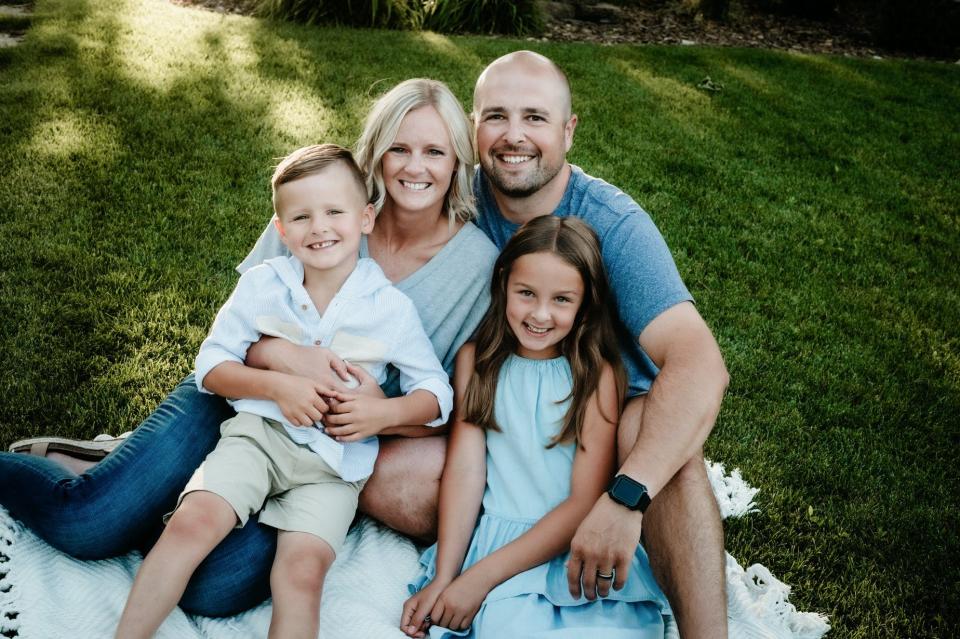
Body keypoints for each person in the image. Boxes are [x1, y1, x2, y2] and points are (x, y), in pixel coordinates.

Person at [0, 78, 498, 617]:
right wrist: (285, 361)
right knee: (90, 524)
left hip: (325, 446)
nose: (413, 167)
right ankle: (103, 474)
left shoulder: (477, 265)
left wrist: (374, 415)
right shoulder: (320, 208)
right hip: (238, 396)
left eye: (434, 151)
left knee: (211, 588)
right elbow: (236, 335)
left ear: (458, 162)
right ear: (375, 154)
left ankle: (138, 476)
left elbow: (445, 401)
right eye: (398, 148)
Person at [114, 143, 453, 638]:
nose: (318, 228)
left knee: (301, 573)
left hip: (335, 468)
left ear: (365, 218)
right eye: (301, 217)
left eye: (334, 212)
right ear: (281, 230)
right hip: (257, 437)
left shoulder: (390, 308)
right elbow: (210, 364)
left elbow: (437, 395)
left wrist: (382, 415)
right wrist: (276, 387)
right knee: (192, 523)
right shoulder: (262, 284)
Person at [467, 51, 730, 639]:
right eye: (496, 116)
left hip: (600, 427)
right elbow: (344, 210)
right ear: (472, 125)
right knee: (397, 484)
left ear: (568, 130)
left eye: (535, 117)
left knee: (671, 456)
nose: (514, 137)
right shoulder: (448, 195)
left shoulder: (612, 223)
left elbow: (699, 363)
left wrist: (626, 496)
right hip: (499, 414)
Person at [401, 216, 672, 638]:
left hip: (571, 546)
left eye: (562, 299)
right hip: (496, 542)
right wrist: (446, 575)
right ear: (504, 284)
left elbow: (583, 501)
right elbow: (466, 473)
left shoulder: (596, 375)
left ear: (585, 302)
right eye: (526, 293)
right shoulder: (477, 362)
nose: (540, 314)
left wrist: (481, 578)